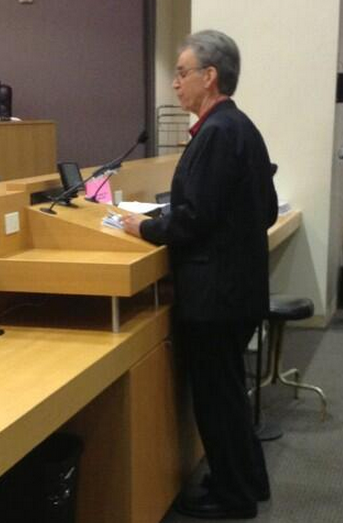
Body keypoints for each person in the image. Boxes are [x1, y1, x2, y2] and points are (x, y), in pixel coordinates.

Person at [122, 30, 278, 520]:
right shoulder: (240, 127)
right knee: (230, 394)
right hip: (237, 289)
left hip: (215, 296)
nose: (175, 83)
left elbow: (193, 219)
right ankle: (249, 481)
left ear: (209, 77)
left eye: (181, 72)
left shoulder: (216, 133)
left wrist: (146, 227)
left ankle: (233, 498)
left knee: (217, 400)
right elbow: (265, 210)